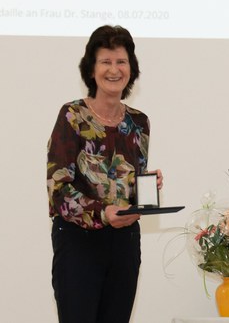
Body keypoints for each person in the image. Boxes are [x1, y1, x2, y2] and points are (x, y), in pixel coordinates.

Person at [47, 25, 163, 323]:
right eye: (105, 62)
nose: (114, 70)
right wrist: (104, 212)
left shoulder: (139, 123)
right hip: (78, 242)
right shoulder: (72, 116)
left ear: (131, 69)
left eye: (121, 61)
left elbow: (126, 187)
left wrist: (146, 190)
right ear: (91, 69)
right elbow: (59, 191)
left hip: (124, 244)